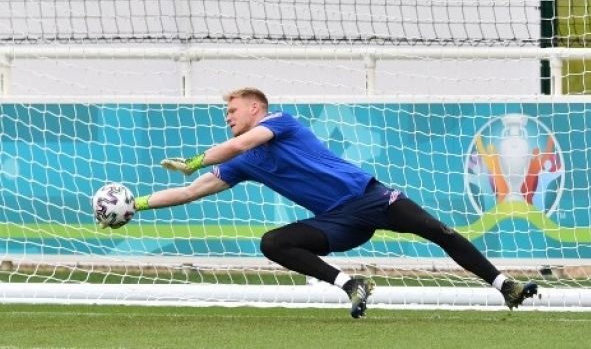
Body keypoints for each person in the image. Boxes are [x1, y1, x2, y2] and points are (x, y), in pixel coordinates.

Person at [131, 87, 538, 318]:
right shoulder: (242, 163)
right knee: (273, 243)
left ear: (257, 108)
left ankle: (505, 285)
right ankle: (351, 284)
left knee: (438, 231)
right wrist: (137, 204)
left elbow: (240, 142)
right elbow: (188, 192)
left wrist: (196, 160)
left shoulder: (278, 122)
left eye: (232, 109)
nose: (227, 116)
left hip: (370, 196)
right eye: (226, 112)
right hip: (338, 221)